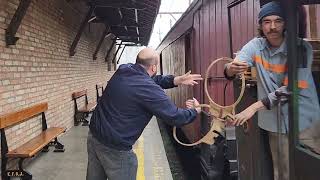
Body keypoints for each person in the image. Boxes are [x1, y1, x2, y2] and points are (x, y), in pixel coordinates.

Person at [224, 2, 320, 180]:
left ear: (285, 23)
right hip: (275, 124)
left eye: (278, 21)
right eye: (267, 22)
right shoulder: (256, 46)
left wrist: (252, 108)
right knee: (282, 173)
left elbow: (290, 89)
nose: (273, 26)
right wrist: (230, 68)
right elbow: (235, 63)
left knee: (314, 168)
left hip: (305, 120)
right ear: (260, 25)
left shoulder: (301, 48)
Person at [86, 47, 203, 180]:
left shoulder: (124, 69)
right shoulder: (150, 90)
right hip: (116, 148)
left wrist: (176, 80)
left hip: (94, 136)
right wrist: (195, 111)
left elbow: (150, 79)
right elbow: (176, 117)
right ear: (153, 68)